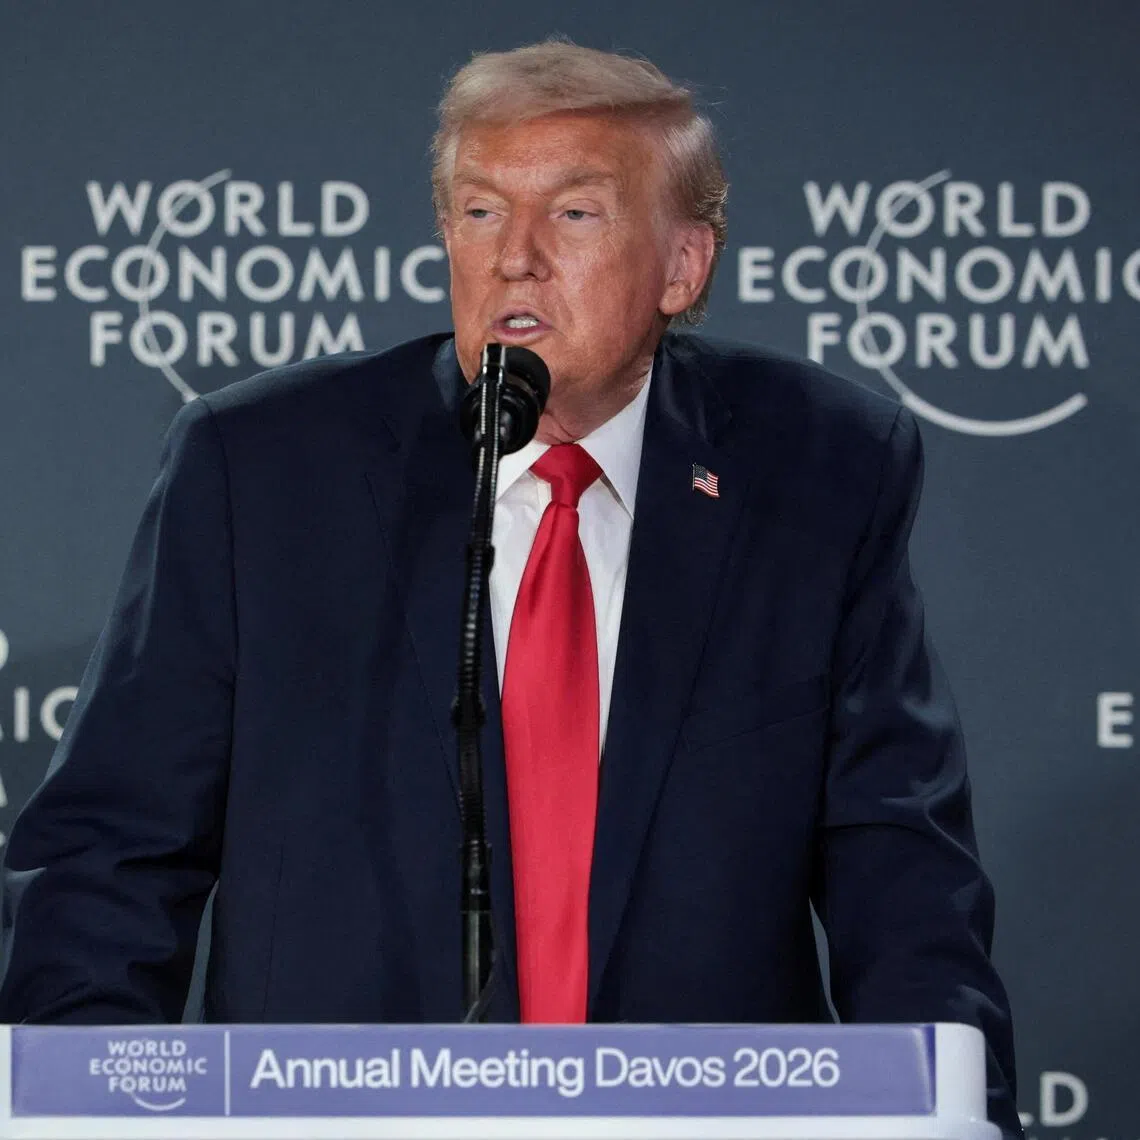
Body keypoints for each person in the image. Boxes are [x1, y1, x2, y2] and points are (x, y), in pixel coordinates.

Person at [0, 40, 1020, 1135]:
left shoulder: (821, 466)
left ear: (683, 265)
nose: (516, 259)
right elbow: (111, 855)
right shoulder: (261, 467)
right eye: (482, 213)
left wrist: (956, 1114)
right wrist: (82, 1113)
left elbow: (901, 873)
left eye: (574, 214)